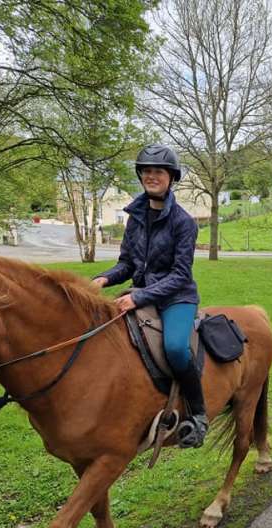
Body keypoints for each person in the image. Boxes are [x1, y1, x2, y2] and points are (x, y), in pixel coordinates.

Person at [92, 143, 208, 449]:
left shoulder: (183, 222)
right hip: (141, 293)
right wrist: (102, 279)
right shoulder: (136, 217)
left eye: (158, 171)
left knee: (176, 349)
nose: (151, 176)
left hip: (176, 298)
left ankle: (198, 416)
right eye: (146, 171)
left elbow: (180, 275)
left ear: (171, 177)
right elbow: (128, 263)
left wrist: (139, 297)